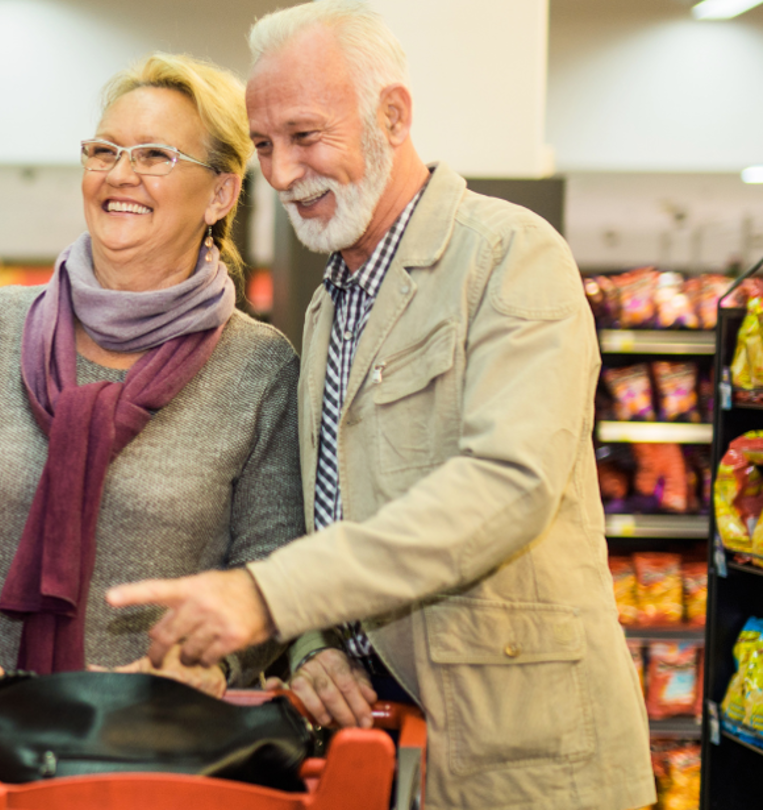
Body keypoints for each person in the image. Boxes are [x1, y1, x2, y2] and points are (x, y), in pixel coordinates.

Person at [102, 3, 654, 809]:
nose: (283, 173)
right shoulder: (332, 302)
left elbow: (506, 486)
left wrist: (267, 596)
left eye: (305, 135)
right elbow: (341, 505)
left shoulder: (507, 255)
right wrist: (318, 642)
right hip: (394, 746)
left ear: (392, 115)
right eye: (263, 146)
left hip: (522, 763)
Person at [0, 52, 302, 719]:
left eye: (155, 155)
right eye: (104, 150)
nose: (119, 174)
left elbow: (269, 565)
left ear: (220, 194)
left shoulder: (258, 365)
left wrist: (213, 665)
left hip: (161, 744)